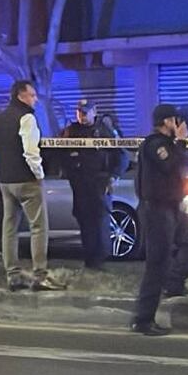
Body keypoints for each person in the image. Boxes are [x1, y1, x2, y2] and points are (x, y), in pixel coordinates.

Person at [0, 80, 67, 292]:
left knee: (9, 229)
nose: (35, 99)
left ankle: (13, 276)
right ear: (21, 95)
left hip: (6, 182)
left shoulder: (0, 119)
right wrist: (39, 174)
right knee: (38, 227)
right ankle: (40, 276)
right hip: (27, 181)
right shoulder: (27, 118)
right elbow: (30, 151)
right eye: (32, 95)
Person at [131, 104, 188, 337]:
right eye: (175, 121)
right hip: (157, 211)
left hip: (171, 208)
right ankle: (143, 320)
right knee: (157, 263)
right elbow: (170, 163)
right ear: (166, 122)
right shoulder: (155, 144)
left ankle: (174, 283)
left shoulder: (166, 145)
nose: (179, 125)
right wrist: (181, 141)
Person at [59, 99, 128, 270]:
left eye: (86, 112)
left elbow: (122, 155)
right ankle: (90, 261)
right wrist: (68, 173)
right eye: (79, 112)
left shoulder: (105, 131)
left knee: (100, 220)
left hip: (100, 182)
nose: (82, 115)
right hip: (80, 184)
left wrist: (113, 176)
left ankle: (102, 260)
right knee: (84, 221)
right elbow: (60, 155)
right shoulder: (69, 131)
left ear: (94, 111)